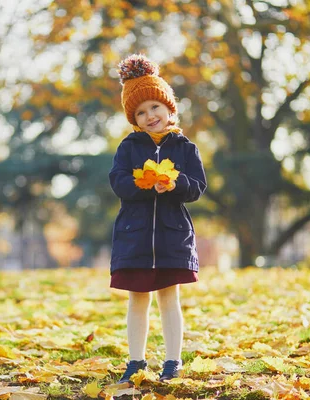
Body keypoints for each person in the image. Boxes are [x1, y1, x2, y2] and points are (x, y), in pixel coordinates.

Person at [108, 54, 207, 384]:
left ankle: (173, 361)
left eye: (155, 107)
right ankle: (136, 361)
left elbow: (197, 186)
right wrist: (141, 183)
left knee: (169, 298)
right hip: (135, 236)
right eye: (140, 112)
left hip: (171, 234)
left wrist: (175, 184)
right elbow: (118, 180)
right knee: (138, 299)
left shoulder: (185, 148)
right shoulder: (129, 147)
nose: (149, 116)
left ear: (169, 108)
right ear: (133, 118)